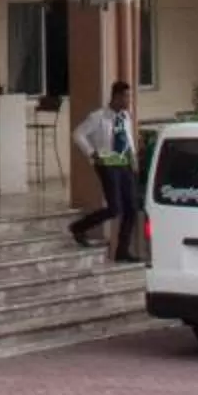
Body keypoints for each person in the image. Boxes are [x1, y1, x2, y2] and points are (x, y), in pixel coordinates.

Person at [68, 81, 142, 262]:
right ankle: (79, 227)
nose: (128, 100)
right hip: (107, 163)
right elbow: (77, 134)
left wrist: (133, 159)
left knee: (131, 208)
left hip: (124, 163)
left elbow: (128, 138)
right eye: (125, 96)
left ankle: (122, 251)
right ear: (116, 97)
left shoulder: (125, 116)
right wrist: (92, 154)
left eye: (129, 96)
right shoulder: (98, 117)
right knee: (115, 208)